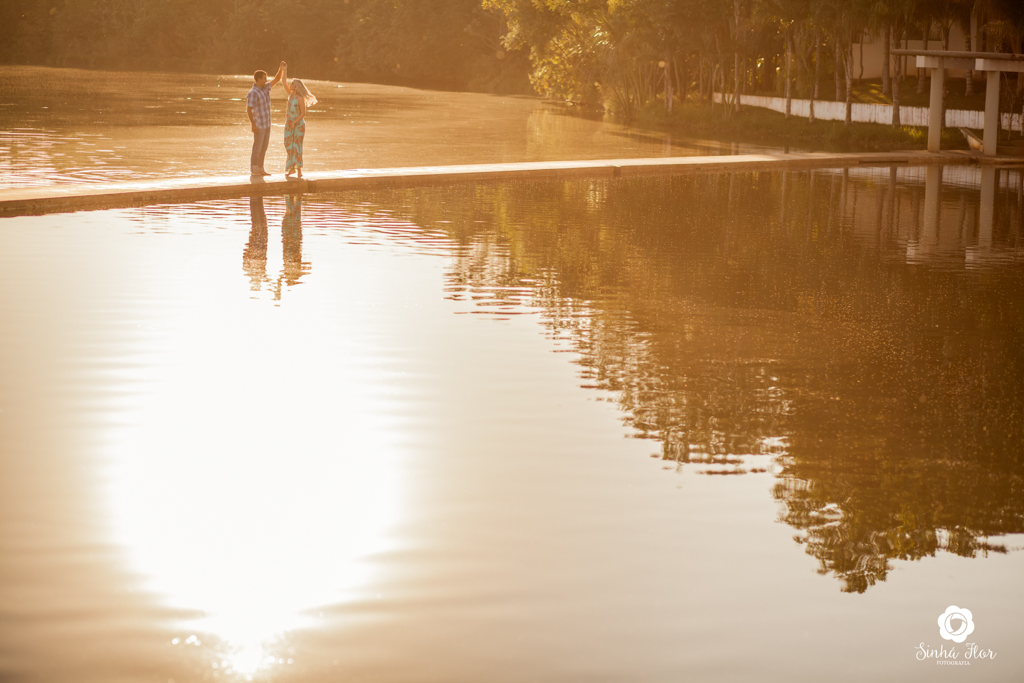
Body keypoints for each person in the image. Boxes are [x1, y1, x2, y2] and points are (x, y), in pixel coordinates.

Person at [246, 62, 286, 177]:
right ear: (258, 79)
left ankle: (260, 168)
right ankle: (254, 170)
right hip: (259, 125)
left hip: (267, 124)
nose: (266, 80)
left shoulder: (265, 88)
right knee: (257, 149)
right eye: (264, 78)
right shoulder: (253, 93)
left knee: (263, 148)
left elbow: (277, 79)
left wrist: (281, 68)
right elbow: (249, 109)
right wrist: (253, 124)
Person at [280, 66, 317, 180]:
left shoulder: (300, 98)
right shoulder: (290, 95)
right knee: (288, 144)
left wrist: (294, 122)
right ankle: (291, 168)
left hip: (298, 125)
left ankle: (299, 170)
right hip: (289, 124)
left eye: (292, 84)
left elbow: (303, 113)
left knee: (297, 146)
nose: (290, 85)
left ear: (296, 86)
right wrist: (284, 70)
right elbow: (283, 81)